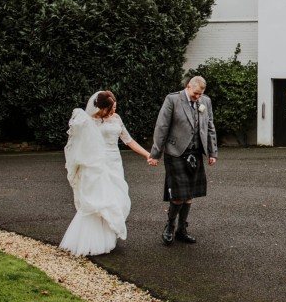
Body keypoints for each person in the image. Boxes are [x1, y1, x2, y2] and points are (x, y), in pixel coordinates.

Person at [60, 90, 153, 256]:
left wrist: (147, 154)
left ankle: (107, 238)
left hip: (115, 163)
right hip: (97, 165)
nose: (113, 111)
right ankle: (92, 241)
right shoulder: (88, 121)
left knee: (116, 198)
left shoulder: (117, 119)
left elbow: (128, 140)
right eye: (110, 108)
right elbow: (80, 144)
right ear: (101, 108)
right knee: (99, 201)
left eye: (115, 107)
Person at [148, 76, 218, 245]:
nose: (197, 97)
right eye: (195, 94)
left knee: (189, 195)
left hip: (196, 152)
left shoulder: (205, 102)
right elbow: (161, 126)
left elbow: (210, 126)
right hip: (176, 152)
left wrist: (212, 152)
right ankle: (170, 226)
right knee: (179, 195)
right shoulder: (173, 99)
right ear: (188, 87)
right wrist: (155, 154)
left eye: (200, 94)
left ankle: (182, 229)